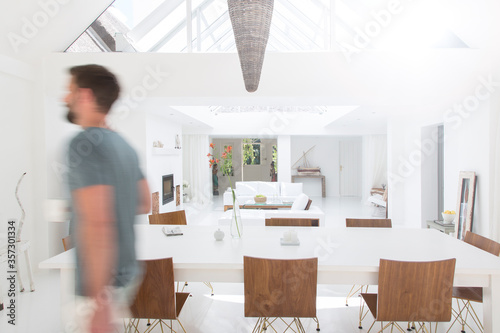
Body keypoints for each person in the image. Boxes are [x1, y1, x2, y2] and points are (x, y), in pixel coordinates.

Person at [64, 64, 151, 333]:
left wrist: (99, 299)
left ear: (86, 95)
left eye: (69, 91)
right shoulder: (123, 145)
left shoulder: (83, 145)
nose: (64, 98)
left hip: (102, 285)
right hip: (127, 275)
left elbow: (98, 224)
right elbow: (144, 201)